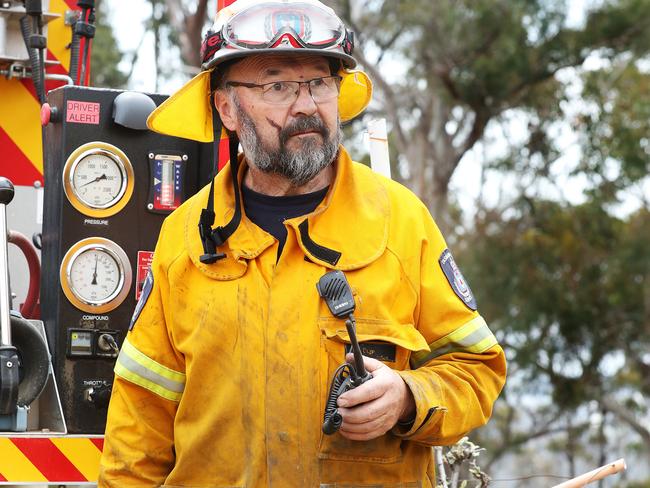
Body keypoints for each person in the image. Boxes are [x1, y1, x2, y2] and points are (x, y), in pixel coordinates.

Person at [98, 1, 506, 486]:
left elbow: (476, 369)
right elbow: (140, 416)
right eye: (277, 86)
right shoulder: (185, 237)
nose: (307, 104)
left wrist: (407, 397)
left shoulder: (399, 221)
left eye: (319, 83)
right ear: (227, 108)